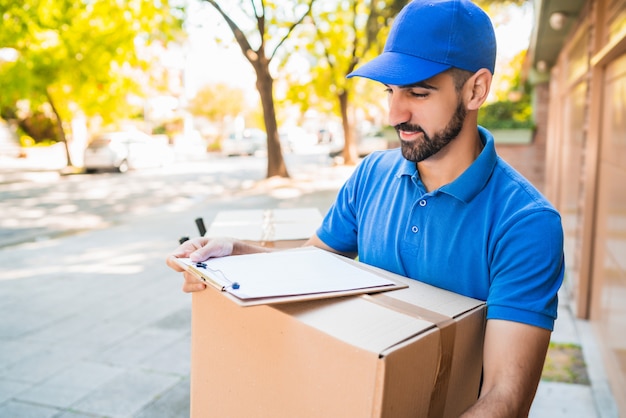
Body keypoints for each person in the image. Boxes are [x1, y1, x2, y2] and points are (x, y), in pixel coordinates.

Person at [167, 0, 564, 416]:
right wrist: (234, 255)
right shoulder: (372, 173)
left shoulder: (526, 224)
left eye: (418, 92)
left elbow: (505, 397)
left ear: (476, 90)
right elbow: (309, 267)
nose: (395, 113)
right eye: (390, 91)